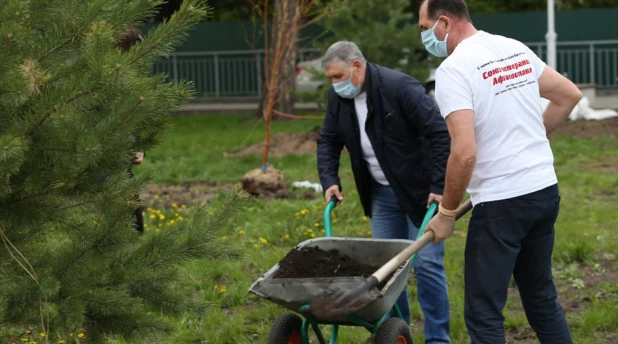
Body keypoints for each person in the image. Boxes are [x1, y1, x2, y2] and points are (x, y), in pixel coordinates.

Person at [417, 1, 582, 343]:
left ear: (444, 22)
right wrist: (531, 139)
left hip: (502, 205)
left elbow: (464, 153)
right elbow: (569, 95)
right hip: (543, 191)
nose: (425, 37)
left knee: (484, 313)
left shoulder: (454, 69)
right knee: (540, 297)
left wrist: (446, 214)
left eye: (424, 28)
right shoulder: (512, 48)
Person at [316, 41, 452, 343]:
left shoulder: (399, 87)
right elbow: (328, 140)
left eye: (338, 76)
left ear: (357, 66)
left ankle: (438, 339)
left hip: (420, 193)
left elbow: (440, 133)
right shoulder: (339, 98)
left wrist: (439, 186)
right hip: (381, 194)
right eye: (330, 79)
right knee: (387, 271)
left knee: (427, 265)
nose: (335, 84)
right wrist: (330, 180)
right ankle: (395, 333)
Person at [116, 28, 146, 234]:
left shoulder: (132, 81)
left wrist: (139, 148)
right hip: (101, 168)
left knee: (134, 226)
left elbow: (136, 119)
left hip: (121, 164)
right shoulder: (100, 79)